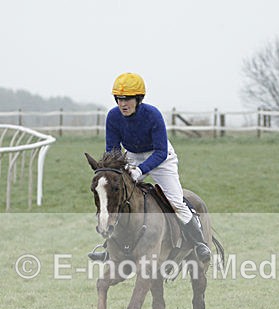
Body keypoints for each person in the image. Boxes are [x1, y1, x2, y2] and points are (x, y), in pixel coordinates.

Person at [89, 72, 211, 262]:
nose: (123, 103)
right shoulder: (113, 116)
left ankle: (199, 242)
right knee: (120, 198)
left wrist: (140, 171)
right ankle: (109, 249)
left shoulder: (153, 115)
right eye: (119, 99)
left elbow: (161, 152)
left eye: (127, 99)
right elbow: (112, 152)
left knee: (176, 202)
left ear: (138, 99)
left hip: (161, 158)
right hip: (131, 157)